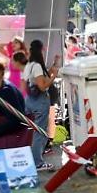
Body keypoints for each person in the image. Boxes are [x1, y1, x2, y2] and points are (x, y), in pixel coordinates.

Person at [25, 39, 59, 171]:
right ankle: (37, 162)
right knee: (39, 133)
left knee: (32, 131)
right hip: (39, 102)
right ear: (41, 50)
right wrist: (53, 77)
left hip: (30, 101)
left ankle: (33, 157)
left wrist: (54, 65)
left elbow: (43, 75)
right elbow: (43, 86)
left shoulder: (30, 65)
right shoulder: (37, 66)